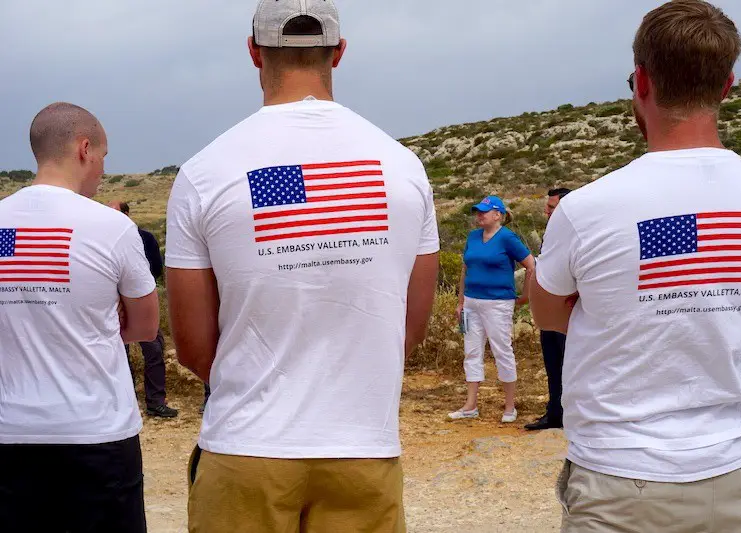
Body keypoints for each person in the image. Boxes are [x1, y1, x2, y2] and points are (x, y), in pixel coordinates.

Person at [165, 1, 439, 531]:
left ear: (252, 52)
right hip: (364, 448)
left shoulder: (205, 171)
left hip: (246, 447)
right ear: (339, 53)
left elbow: (195, 348)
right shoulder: (403, 168)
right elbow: (411, 325)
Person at [531, 2, 741, 531]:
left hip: (622, 483)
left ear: (642, 81)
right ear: (727, 87)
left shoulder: (588, 207)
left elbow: (549, 316)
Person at [0, 103, 159, 533]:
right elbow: (145, 327)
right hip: (96, 433)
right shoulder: (111, 227)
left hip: (10, 432)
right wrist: (97, 326)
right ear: (84, 148)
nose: (104, 171)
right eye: (104, 156)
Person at [449, 196, 534, 424]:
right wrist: (460, 302)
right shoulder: (473, 237)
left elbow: (530, 264)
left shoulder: (507, 238)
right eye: (477, 211)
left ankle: (509, 406)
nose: (479, 215)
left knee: (502, 350)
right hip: (472, 301)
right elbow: (465, 269)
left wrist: (525, 296)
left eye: (484, 212)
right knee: (472, 351)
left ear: (498, 215)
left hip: (497, 303)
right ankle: (470, 405)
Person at [109, 200, 178, 418]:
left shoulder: (145, 238)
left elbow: (156, 268)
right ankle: (123, 400)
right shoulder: (104, 239)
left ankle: (155, 401)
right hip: (114, 305)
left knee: (154, 350)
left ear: (127, 213)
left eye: (115, 212)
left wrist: (138, 292)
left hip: (140, 302)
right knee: (117, 353)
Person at [526, 187, 570, 431]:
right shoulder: (550, 235)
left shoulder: (576, 234)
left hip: (568, 312)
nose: (546, 210)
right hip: (550, 309)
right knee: (552, 363)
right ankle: (555, 413)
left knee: (570, 363)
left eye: (551, 207)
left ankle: (572, 414)